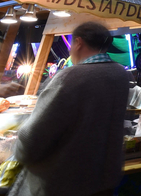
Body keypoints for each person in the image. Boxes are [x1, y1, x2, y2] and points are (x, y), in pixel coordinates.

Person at [9, 22, 130, 196]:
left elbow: (32, 137)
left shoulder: (70, 76)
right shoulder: (120, 75)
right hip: (102, 180)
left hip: (62, 183)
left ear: (78, 42)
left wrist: (17, 153)